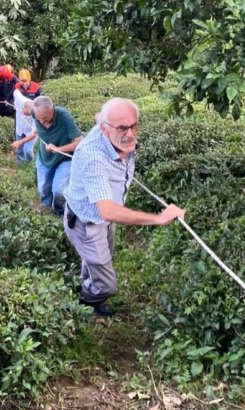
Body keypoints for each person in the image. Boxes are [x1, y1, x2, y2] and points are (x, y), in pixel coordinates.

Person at [64, 98, 186, 317]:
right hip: (86, 221)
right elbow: (107, 211)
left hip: (105, 218)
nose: (130, 134)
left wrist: (107, 120)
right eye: (122, 128)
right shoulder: (93, 158)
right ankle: (87, 298)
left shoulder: (107, 129)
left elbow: (101, 120)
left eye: (134, 126)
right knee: (108, 282)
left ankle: (90, 288)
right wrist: (158, 218)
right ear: (104, 129)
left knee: (101, 259)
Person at [31, 96, 84, 216]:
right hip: (44, 157)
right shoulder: (34, 111)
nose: (41, 122)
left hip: (64, 159)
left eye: (44, 118)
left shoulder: (64, 117)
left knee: (59, 191)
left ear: (52, 110)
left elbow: (80, 141)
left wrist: (59, 149)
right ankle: (46, 205)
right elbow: (26, 107)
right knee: (44, 188)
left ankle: (59, 211)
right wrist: (35, 128)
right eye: (38, 118)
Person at [11, 89, 37, 162]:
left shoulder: (37, 113)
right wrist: (15, 104)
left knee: (28, 150)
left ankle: (30, 164)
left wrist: (19, 142)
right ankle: (21, 163)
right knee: (20, 149)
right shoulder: (20, 99)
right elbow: (15, 91)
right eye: (28, 113)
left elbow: (34, 134)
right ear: (24, 107)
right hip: (20, 128)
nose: (29, 115)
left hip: (30, 132)